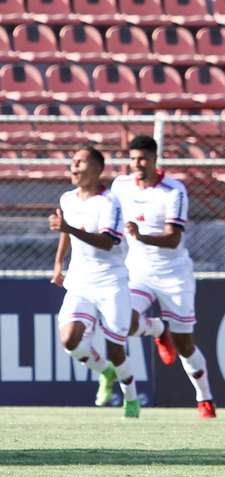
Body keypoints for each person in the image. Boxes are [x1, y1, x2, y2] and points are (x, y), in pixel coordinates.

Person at [111, 135, 216, 419]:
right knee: (124, 321)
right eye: (133, 159)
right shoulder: (120, 185)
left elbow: (173, 239)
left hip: (174, 274)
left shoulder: (173, 191)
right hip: (139, 271)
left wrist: (141, 235)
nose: (137, 164)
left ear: (155, 160)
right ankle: (158, 330)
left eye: (143, 159)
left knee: (184, 344)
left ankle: (204, 398)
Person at [50, 146, 139, 417]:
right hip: (80, 280)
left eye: (80, 162)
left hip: (110, 281)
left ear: (98, 168)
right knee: (69, 339)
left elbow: (106, 241)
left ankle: (132, 398)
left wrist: (69, 229)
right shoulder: (68, 199)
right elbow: (67, 233)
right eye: (72, 162)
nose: (74, 166)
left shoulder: (110, 202)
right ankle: (105, 373)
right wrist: (58, 263)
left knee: (115, 348)